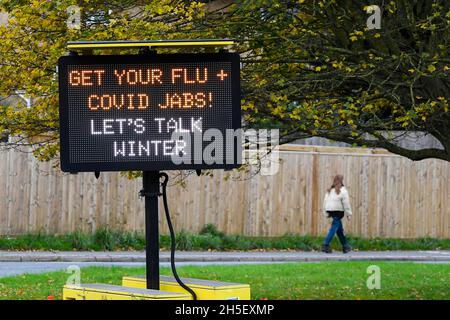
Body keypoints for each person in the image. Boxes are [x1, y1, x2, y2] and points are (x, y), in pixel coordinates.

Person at [322, 175, 352, 254]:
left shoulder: (330, 190)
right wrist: (349, 214)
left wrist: (325, 212)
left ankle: (345, 246)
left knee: (339, 230)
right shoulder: (343, 191)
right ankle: (325, 244)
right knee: (334, 227)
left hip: (331, 210)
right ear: (342, 181)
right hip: (338, 211)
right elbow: (346, 204)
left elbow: (325, 202)